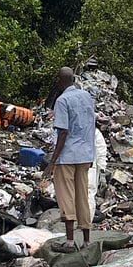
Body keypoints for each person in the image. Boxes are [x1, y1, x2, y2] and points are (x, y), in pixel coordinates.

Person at [43, 67, 97, 253]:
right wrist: (91, 154)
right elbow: (92, 126)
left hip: (67, 156)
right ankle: (87, 241)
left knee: (66, 196)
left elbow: (63, 132)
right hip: (85, 154)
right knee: (82, 195)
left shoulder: (62, 100)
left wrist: (52, 162)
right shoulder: (87, 97)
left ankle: (69, 241)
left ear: (60, 82)